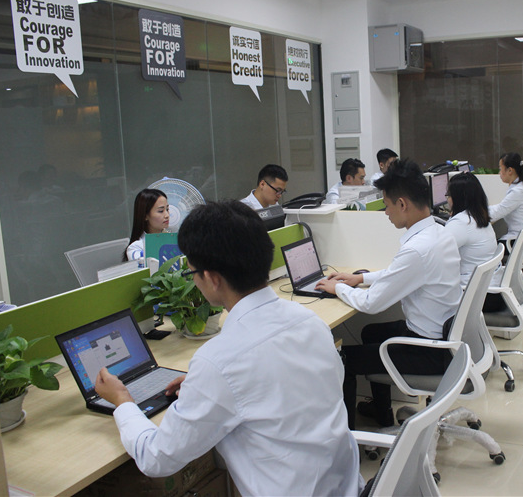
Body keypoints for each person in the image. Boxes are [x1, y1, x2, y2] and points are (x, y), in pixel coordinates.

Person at [96, 200, 363, 496]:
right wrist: (206, 387)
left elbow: (156, 458)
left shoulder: (220, 362)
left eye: (191, 273)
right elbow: (282, 385)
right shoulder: (310, 322)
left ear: (211, 278)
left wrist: (122, 401)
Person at [316, 159, 462, 429]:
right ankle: (381, 412)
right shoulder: (439, 233)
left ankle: (350, 440)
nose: (385, 212)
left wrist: (339, 288)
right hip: (442, 337)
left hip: (427, 350)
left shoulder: (417, 249)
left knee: (342, 359)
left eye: (386, 205)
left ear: (402, 204)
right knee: (370, 332)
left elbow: (371, 303)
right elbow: (401, 273)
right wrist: (360, 278)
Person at [444, 172, 508, 312]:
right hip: (491, 291)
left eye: (448, 195)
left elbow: (437, 252)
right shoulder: (478, 215)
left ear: (457, 198)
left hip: (479, 297)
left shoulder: (461, 223)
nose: (447, 199)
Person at [488, 152, 523, 256]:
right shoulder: (522, 186)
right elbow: (500, 208)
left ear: (510, 170)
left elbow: (496, 213)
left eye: (500, 168)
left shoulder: (518, 191)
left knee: (487, 248)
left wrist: (475, 211)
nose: (499, 172)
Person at [124, 188, 170, 262]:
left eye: (167, 209)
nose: (167, 215)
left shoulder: (173, 239)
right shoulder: (136, 248)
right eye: (161, 211)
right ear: (145, 215)